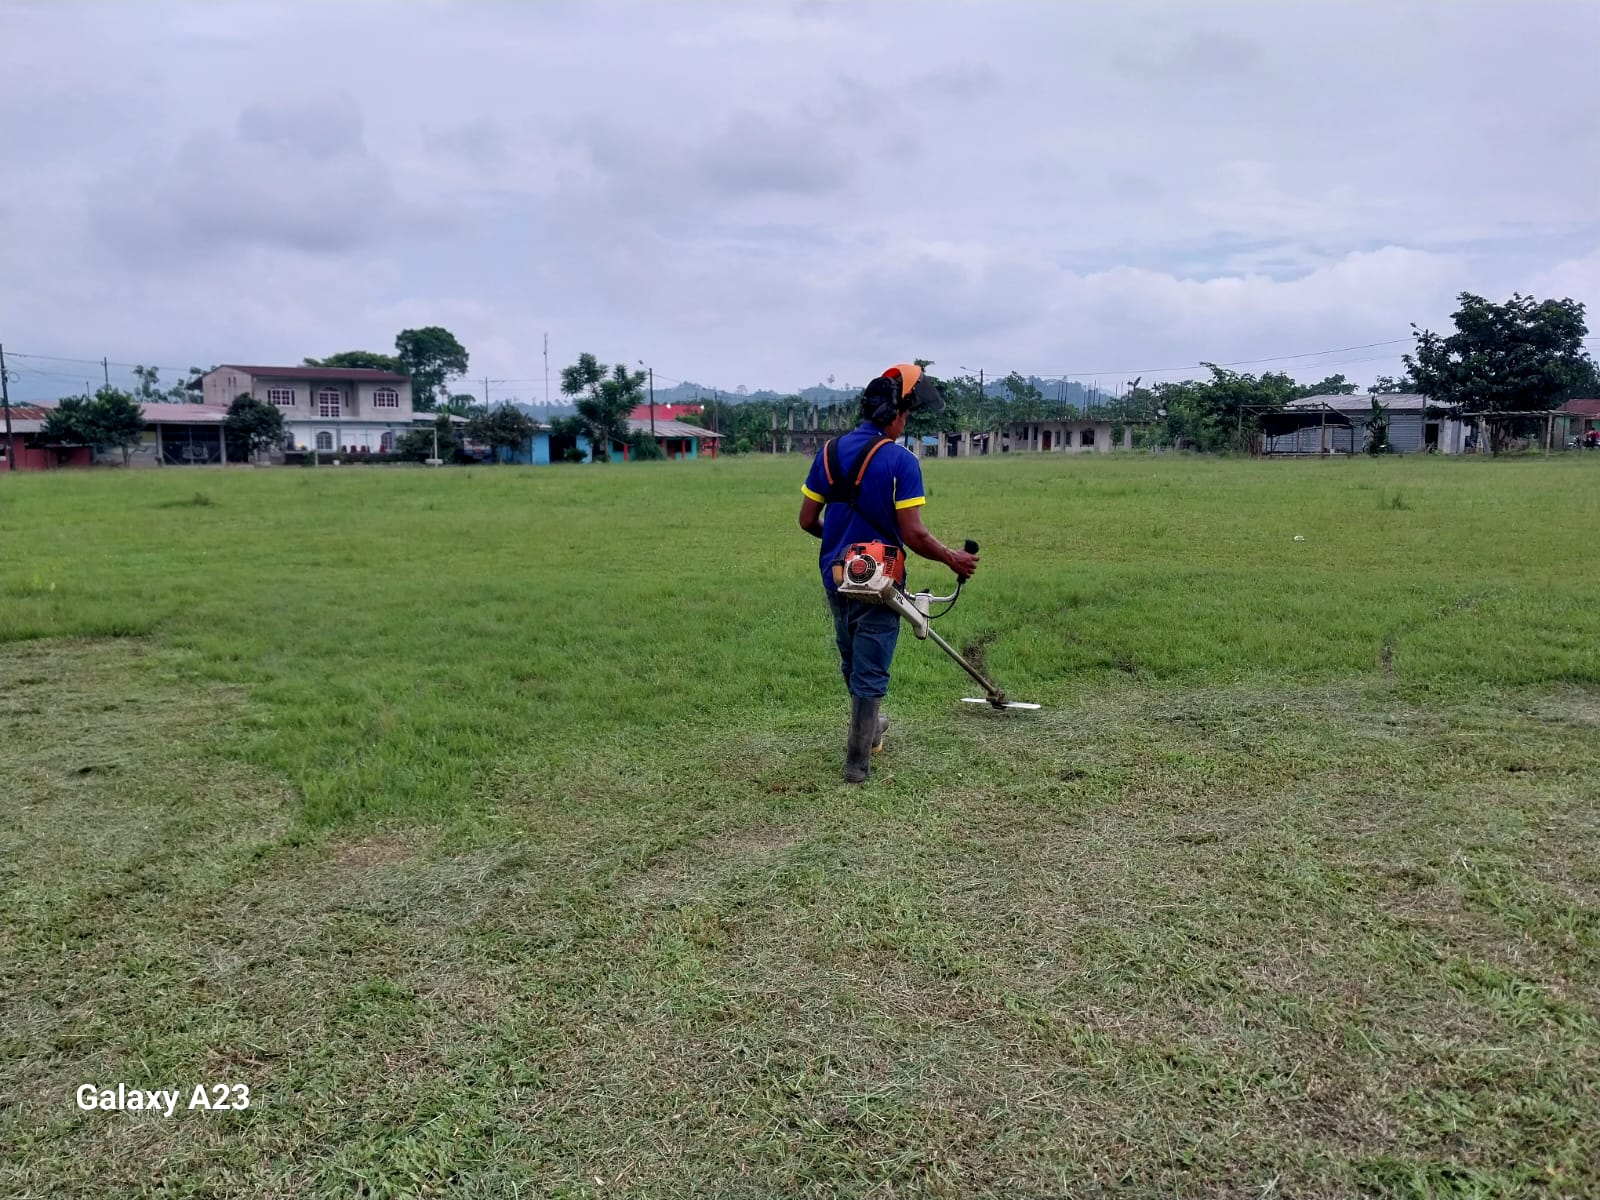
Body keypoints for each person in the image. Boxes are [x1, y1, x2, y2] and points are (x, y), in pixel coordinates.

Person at [798, 364, 980, 783]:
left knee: (851, 655)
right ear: (895, 414)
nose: (906, 421)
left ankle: (872, 727)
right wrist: (952, 559)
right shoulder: (901, 461)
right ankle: (857, 762)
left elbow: (807, 520)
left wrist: (843, 546)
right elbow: (913, 533)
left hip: (837, 576)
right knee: (872, 666)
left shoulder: (828, 452)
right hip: (880, 579)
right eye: (907, 414)